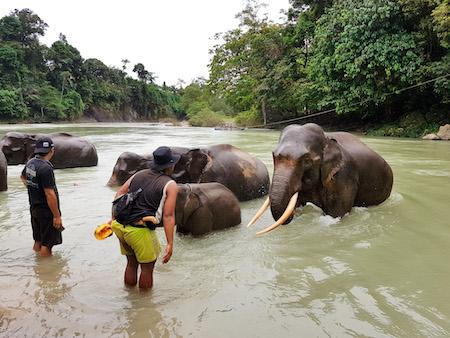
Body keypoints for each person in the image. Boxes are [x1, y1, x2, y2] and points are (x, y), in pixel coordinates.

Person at [111, 146, 179, 289]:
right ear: (170, 165)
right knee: (147, 269)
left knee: (131, 264)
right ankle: (144, 308)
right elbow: (168, 216)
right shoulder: (170, 184)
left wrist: (112, 219)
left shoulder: (139, 174)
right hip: (140, 231)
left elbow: (118, 195)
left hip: (120, 226)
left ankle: (130, 299)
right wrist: (170, 244)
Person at [21, 136, 63, 257]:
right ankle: (45, 273)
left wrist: (33, 189)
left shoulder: (31, 163)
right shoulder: (46, 168)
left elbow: (23, 177)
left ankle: (37, 266)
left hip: (34, 208)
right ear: (52, 150)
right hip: (46, 212)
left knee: (38, 240)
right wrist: (56, 216)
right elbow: (50, 194)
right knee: (47, 244)